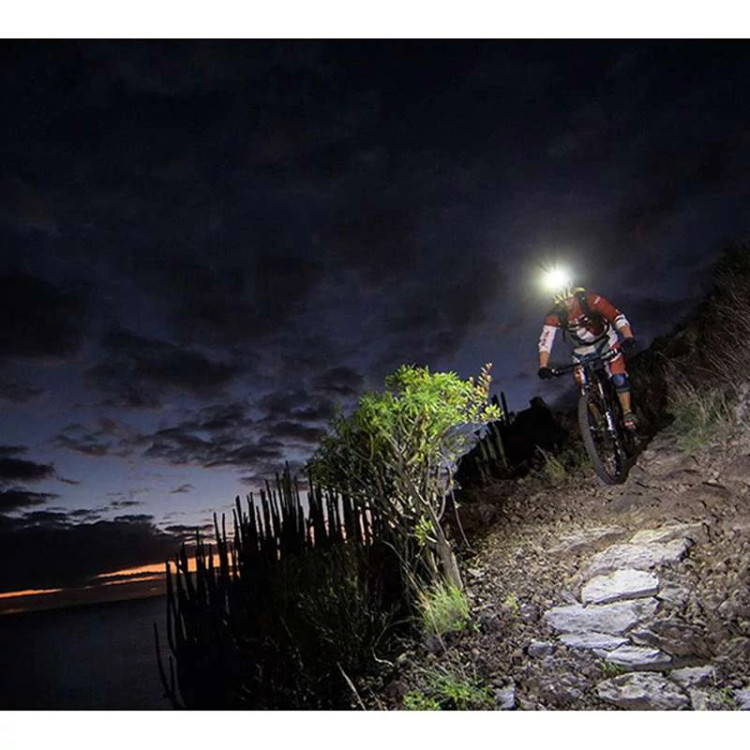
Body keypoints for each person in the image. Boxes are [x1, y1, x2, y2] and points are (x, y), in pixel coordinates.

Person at [537, 283, 638, 429]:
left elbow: (615, 316)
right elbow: (545, 342)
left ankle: (627, 413)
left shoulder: (590, 300)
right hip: (581, 350)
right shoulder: (554, 316)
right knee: (584, 387)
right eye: (563, 303)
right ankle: (599, 423)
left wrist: (628, 337)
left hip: (606, 341)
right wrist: (543, 366)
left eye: (570, 300)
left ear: (574, 295)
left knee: (618, 378)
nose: (567, 305)